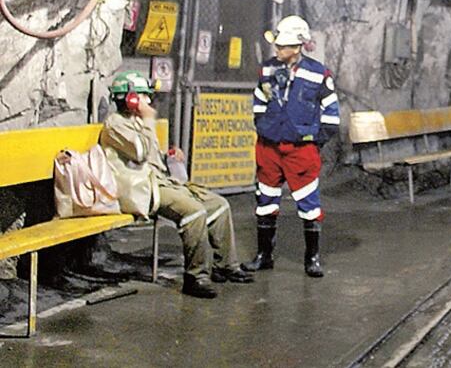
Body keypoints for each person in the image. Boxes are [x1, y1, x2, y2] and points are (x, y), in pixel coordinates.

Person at [100, 70, 253, 298]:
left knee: (218, 205)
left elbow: (151, 157)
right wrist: (148, 119)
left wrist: (168, 156)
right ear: (130, 98)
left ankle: (225, 266)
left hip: (160, 181)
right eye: (143, 96)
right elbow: (140, 152)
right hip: (141, 189)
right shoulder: (115, 124)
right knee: (194, 212)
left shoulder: (137, 121)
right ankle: (195, 277)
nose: (148, 100)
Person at [243, 15, 340, 278]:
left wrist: (314, 140)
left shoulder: (318, 74)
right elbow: (259, 100)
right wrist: (264, 126)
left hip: (301, 150)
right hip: (269, 148)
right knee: (265, 201)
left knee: (309, 203)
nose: (277, 49)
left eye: (282, 45)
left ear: (297, 47)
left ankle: (312, 259)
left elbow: (331, 113)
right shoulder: (266, 70)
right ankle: (264, 256)